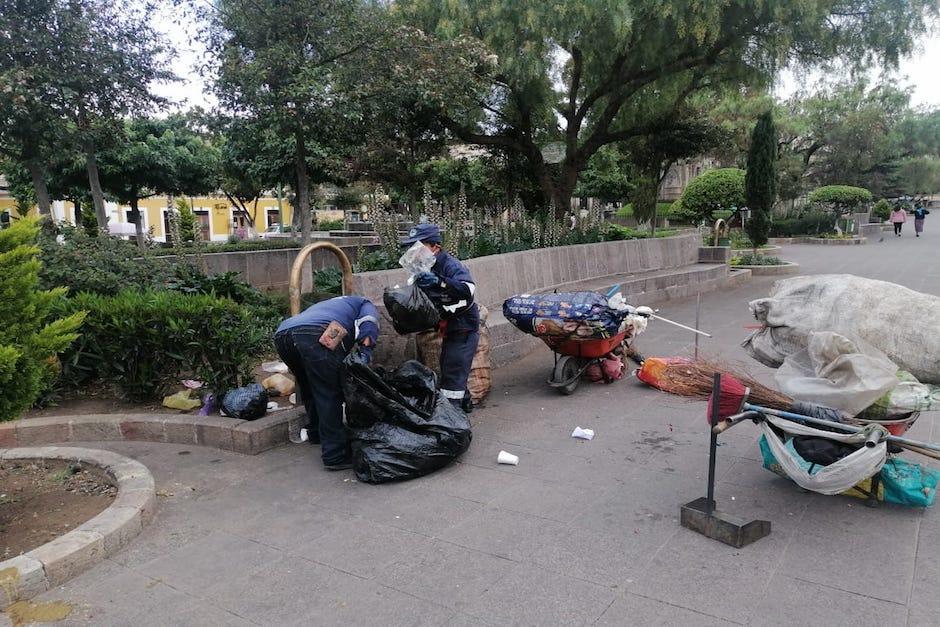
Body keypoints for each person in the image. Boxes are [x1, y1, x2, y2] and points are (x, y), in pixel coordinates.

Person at [274, 295, 379, 470]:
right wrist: (365, 356)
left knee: (308, 384)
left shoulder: (331, 304)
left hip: (283, 334)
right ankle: (335, 454)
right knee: (328, 391)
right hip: (315, 332)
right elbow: (369, 326)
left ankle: (316, 433)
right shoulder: (365, 303)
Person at [401, 223, 479, 412]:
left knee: (453, 373)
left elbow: (468, 289)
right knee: (450, 367)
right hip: (448, 327)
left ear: (434, 246)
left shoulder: (450, 265)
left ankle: (453, 420)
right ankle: (465, 404)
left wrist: (441, 282)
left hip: (463, 327)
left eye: (418, 246)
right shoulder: (423, 266)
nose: (414, 251)